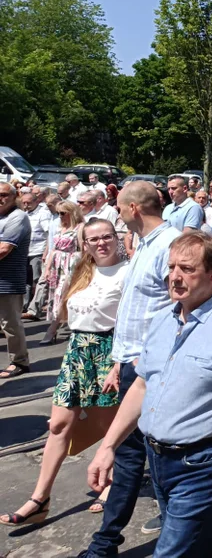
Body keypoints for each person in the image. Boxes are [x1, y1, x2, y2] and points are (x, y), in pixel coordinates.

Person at [86, 232, 212, 555]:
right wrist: (107, 446)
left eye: (187, 268)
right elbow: (141, 386)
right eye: (171, 267)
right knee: (200, 547)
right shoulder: (163, 320)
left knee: (169, 551)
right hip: (158, 460)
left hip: (202, 462)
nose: (175, 277)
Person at [76, 180, 182, 555]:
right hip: (133, 364)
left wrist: (144, 358)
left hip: (151, 367)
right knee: (132, 454)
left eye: (119, 207)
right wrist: (119, 362)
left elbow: (177, 307)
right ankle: (108, 543)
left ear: (134, 208)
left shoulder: (170, 246)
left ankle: (172, 538)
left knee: (147, 453)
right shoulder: (146, 245)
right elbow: (136, 311)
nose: (116, 214)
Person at [0, 219, 128, 526]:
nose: (101, 243)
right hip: (77, 351)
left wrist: (120, 363)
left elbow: (134, 322)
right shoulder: (82, 271)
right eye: (93, 239)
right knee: (58, 425)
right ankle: (40, 497)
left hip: (108, 350)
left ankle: (112, 483)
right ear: (85, 244)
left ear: (116, 238)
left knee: (109, 426)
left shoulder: (129, 272)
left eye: (106, 236)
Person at [40, 200, 85, 346]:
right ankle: (66, 325)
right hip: (56, 265)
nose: (59, 216)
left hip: (71, 265)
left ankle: (52, 329)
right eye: (58, 213)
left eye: (62, 213)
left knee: (62, 295)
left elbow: (82, 250)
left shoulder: (80, 227)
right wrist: (47, 269)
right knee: (55, 296)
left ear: (71, 213)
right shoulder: (60, 227)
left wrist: (79, 267)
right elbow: (53, 249)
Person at [0, 183, 32, 378]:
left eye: (3, 195)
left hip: (8, 281)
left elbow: (4, 249)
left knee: (10, 323)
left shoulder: (17, 217)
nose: (0, 198)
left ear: (14, 196)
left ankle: (19, 361)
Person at [20, 191, 51, 321]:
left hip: (37, 252)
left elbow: (49, 232)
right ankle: (24, 307)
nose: (26, 205)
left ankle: (36, 309)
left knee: (37, 281)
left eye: (28, 202)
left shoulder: (42, 214)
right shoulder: (23, 214)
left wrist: (46, 252)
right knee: (25, 281)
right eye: (24, 203)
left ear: (36, 201)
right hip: (24, 252)